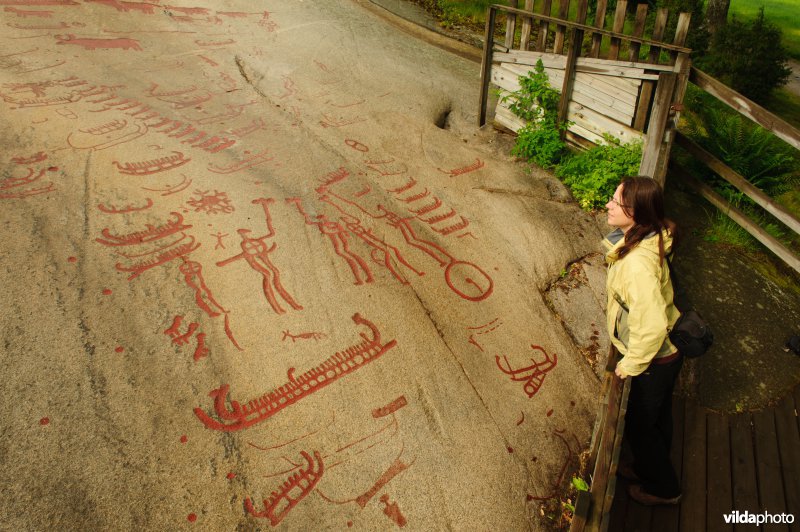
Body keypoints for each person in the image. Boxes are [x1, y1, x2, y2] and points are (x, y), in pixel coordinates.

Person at [602, 176, 683, 506]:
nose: (608, 204)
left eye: (616, 201)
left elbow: (650, 327)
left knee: (640, 426)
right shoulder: (653, 236)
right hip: (670, 353)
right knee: (658, 417)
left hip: (654, 359)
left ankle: (664, 489)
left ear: (635, 212)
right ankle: (649, 466)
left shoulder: (637, 263)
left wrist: (630, 365)